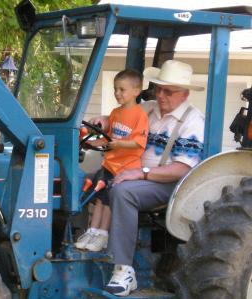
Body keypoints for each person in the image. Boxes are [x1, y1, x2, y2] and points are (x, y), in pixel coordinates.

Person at [91, 60, 205, 297]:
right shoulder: (148, 108)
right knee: (92, 179)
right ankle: (95, 236)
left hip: (169, 184)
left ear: (184, 94)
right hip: (135, 173)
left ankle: (123, 268)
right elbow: (122, 118)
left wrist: (140, 173)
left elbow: (181, 170)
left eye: (169, 91)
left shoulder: (193, 122)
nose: (161, 95)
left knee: (123, 192)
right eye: (159, 88)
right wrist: (104, 119)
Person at [75, 69, 149, 252]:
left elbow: (139, 143)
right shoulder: (115, 113)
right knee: (99, 199)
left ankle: (103, 234)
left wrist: (120, 144)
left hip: (125, 169)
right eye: (115, 89)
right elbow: (107, 140)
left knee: (108, 201)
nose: (117, 93)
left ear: (136, 91)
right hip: (109, 164)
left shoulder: (140, 115)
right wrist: (90, 144)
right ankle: (92, 231)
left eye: (122, 90)